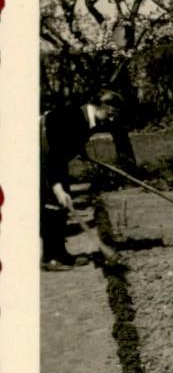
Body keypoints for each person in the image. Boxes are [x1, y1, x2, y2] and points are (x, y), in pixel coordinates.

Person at [40, 90, 133, 270]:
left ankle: (60, 254)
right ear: (101, 106)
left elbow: (67, 144)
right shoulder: (73, 119)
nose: (111, 119)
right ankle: (50, 258)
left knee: (61, 203)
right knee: (53, 202)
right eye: (110, 113)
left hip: (50, 156)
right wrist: (57, 187)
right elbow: (54, 154)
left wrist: (80, 152)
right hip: (40, 154)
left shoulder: (86, 118)